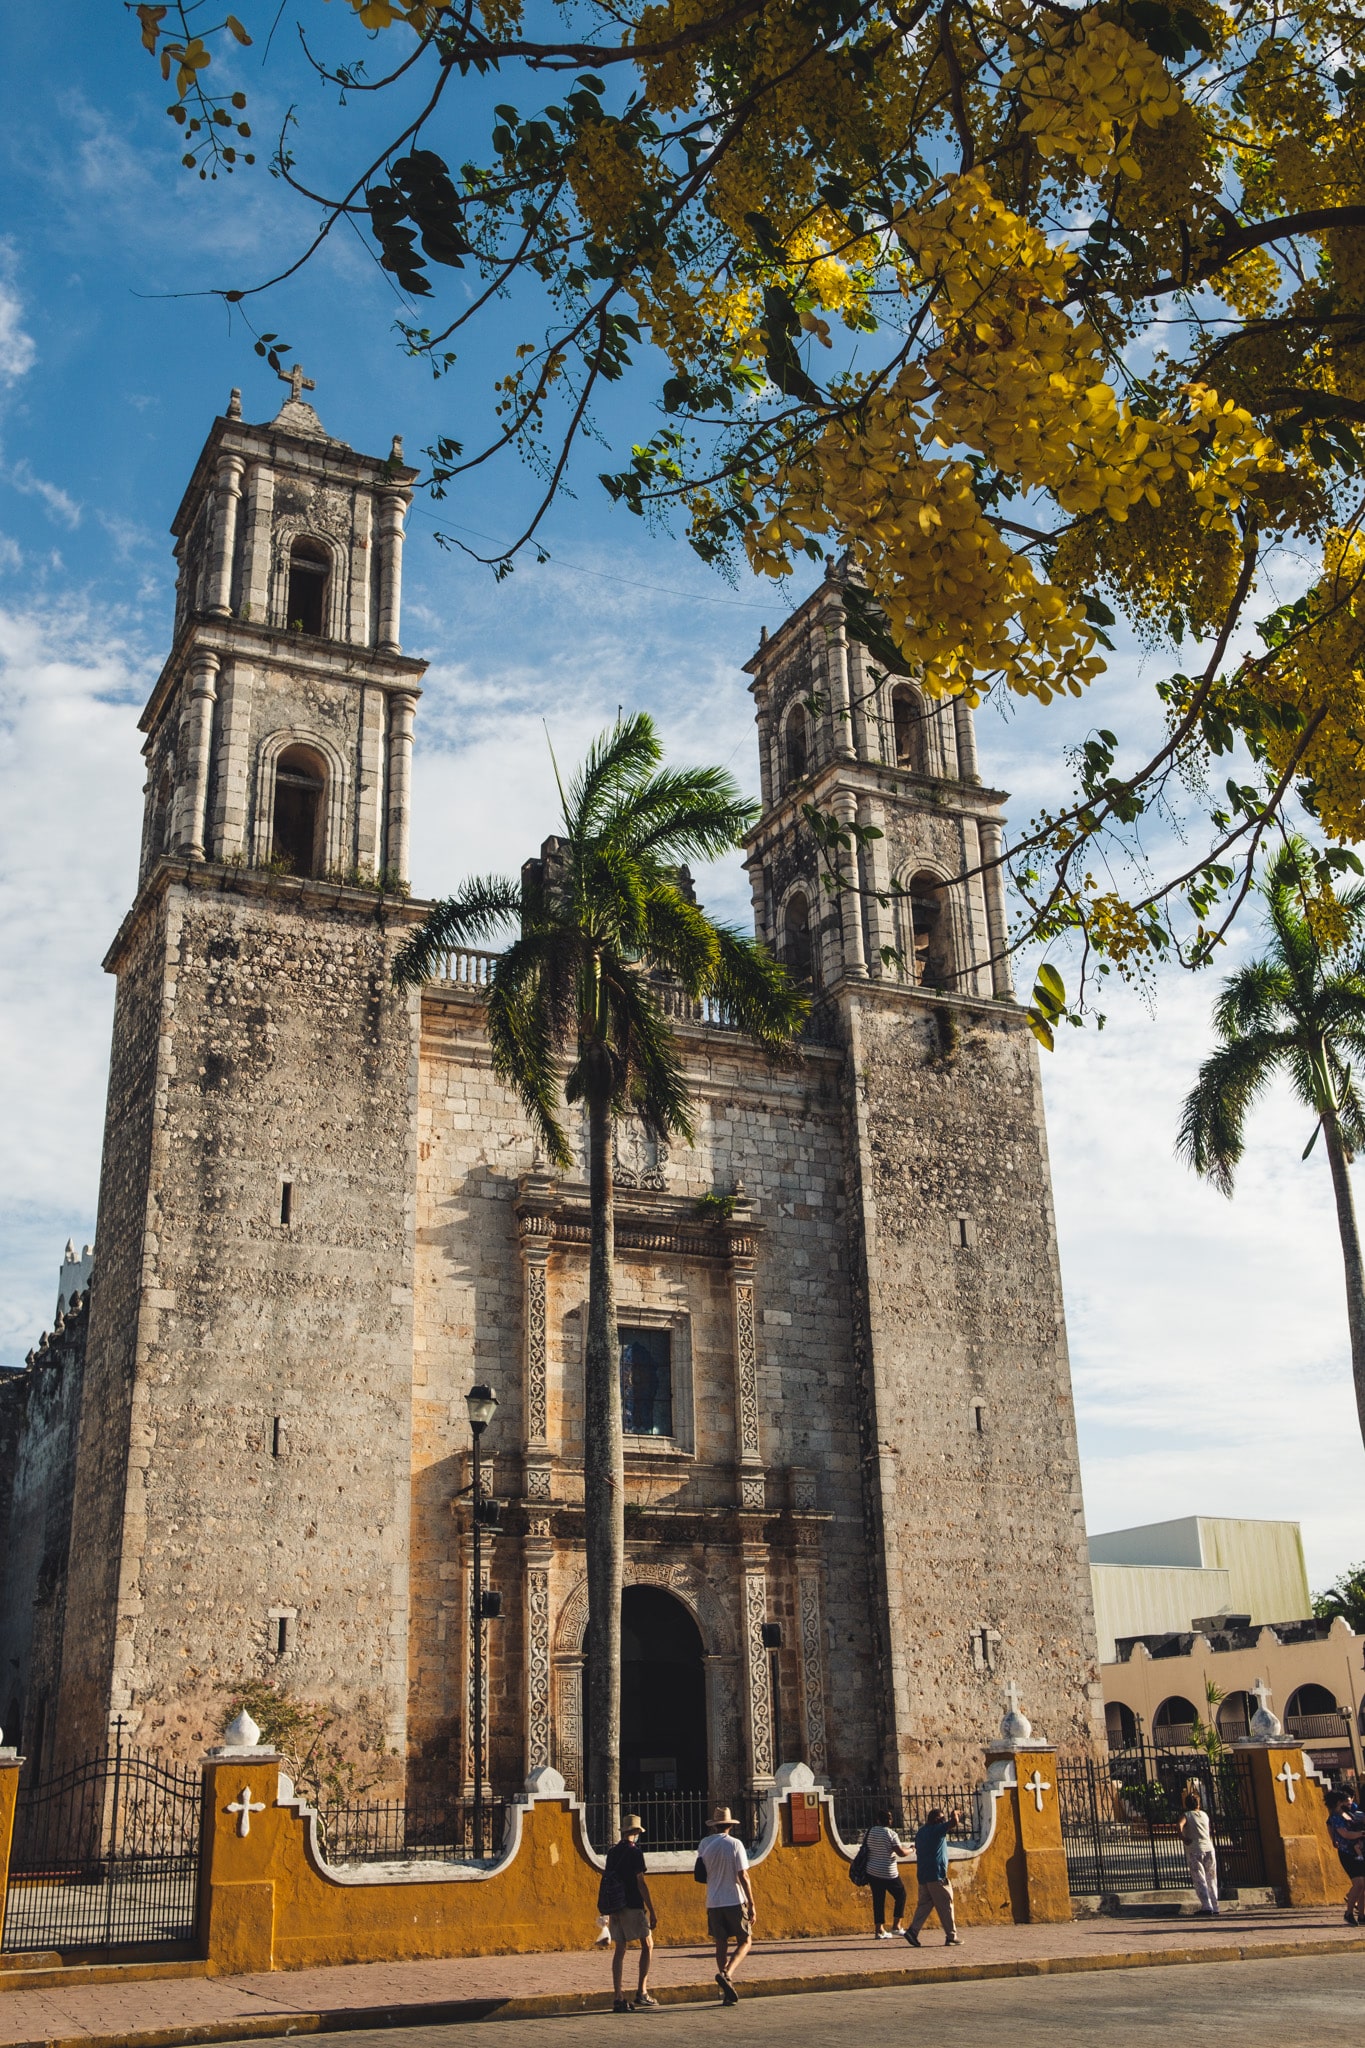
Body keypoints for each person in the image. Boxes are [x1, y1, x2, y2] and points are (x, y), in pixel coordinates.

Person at [697, 1805, 757, 2004]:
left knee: (720, 1943)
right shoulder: (735, 1844)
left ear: (715, 1826)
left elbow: (700, 1873)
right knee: (745, 1940)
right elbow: (743, 1875)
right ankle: (728, 1974)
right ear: (729, 1826)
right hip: (734, 1899)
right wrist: (751, 1903)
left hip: (713, 1901)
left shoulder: (704, 1844)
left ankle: (724, 1991)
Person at [603, 1814, 659, 2012]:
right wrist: (651, 1909)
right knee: (647, 1944)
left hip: (615, 1905)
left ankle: (618, 1995)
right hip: (632, 1904)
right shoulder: (635, 1853)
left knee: (620, 1949)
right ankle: (642, 1991)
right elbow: (640, 1882)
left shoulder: (612, 1853)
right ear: (635, 1833)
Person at [905, 1805, 965, 1947]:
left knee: (924, 1905)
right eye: (942, 1818)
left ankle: (913, 1931)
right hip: (937, 1875)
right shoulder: (937, 1830)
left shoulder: (921, 1832)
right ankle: (951, 1936)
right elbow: (953, 1823)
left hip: (923, 1875)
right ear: (938, 1820)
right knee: (946, 1905)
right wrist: (954, 1814)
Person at [863, 1808, 911, 1937]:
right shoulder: (891, 1834)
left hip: (872, 1870)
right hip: (888, 1871)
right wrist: (912, 1849)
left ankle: (879, 1929)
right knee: (901, 1895)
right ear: (890, 1821)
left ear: (877, 1820)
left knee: (878, 1900)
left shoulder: (870, 1832)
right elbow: (901, 1853)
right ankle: (896, 1925)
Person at [1326, 1791, 1365, 1925]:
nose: (1348, 1803)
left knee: (1362, 1885)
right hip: (1346, 1853)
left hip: (1356, 1851)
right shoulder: (1335, 1817)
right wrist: (1361, 1833)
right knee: (1359, 1883)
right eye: (1344, 1801)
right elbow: (1345, 1834)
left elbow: (1359, 1819)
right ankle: (1348, 1913)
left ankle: (1360, 1915)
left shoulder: (1347, 1814)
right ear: (1338, 1802)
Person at [1179, 1788, 1219, 1915]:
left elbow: (1179, 1825)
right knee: (1211, 1878)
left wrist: (1183, 1837)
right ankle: (1215, 1906)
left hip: (1195, 1849)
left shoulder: (1187, 1815)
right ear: (1198, 1803)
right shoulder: (1204, 1815)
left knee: (1199, 1878)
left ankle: (1206, 1906)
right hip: (1209, 1848)